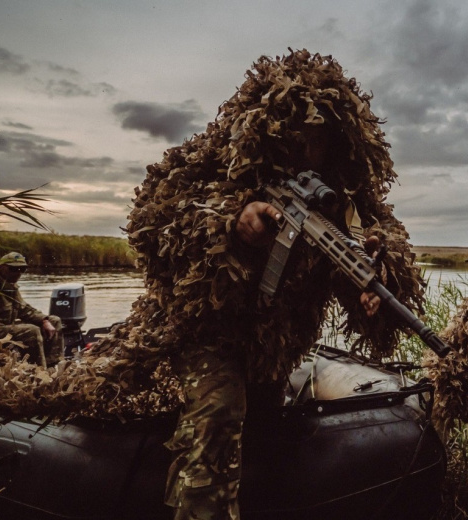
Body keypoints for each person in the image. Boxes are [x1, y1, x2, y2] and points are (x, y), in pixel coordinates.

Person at [122, 50, 425, 519]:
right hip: (207, 335)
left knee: (266, 436)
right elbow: (152, 223)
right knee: (219, 413)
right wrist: (231, 225)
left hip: (271, 350)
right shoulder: (215, 163)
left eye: (318, 142)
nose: (307, 154)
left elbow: (370, 257)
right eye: (296, 140)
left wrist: (372, 287)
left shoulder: (347, 202)